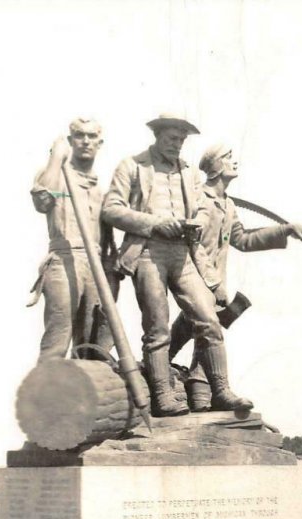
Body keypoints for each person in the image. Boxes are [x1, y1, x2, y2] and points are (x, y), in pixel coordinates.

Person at [101, 114, 252, 417]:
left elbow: (198, 217)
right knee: (157, 328)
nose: (177, 145)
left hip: (183, 254)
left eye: (182, 140)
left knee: (208, 319)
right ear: (157, 135)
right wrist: (155, 224)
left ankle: (220, 390)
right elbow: (111, 210)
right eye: (172, 139)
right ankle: (162, 396)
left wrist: (211, 276)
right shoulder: (132, 166)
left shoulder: (189, 173)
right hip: (147, 253)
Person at [169, 143, 302, 411]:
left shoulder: (228, 204)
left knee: (199, 325)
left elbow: (243, 239)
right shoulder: (198, 198)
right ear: (215, 167)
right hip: (192, 275)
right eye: (229, 158)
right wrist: (213, 282)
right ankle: (200, 383)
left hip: (210, 282)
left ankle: (198, 386)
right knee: (205, 324)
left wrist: (286, 230)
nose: (235, 162)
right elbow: (193, 243)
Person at [29, 117, 117, 362]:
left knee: (91, 344)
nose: (86, 141)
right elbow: (43, 201)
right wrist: (56, 158)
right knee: (58, 338)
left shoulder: (101, 189)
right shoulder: (56, 175)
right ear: (70, 141)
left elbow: (108, 238)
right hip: (65, 259)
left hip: (96, 265)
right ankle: (46, 398)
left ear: (100, 143)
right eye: (80, 135)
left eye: (91, 137)